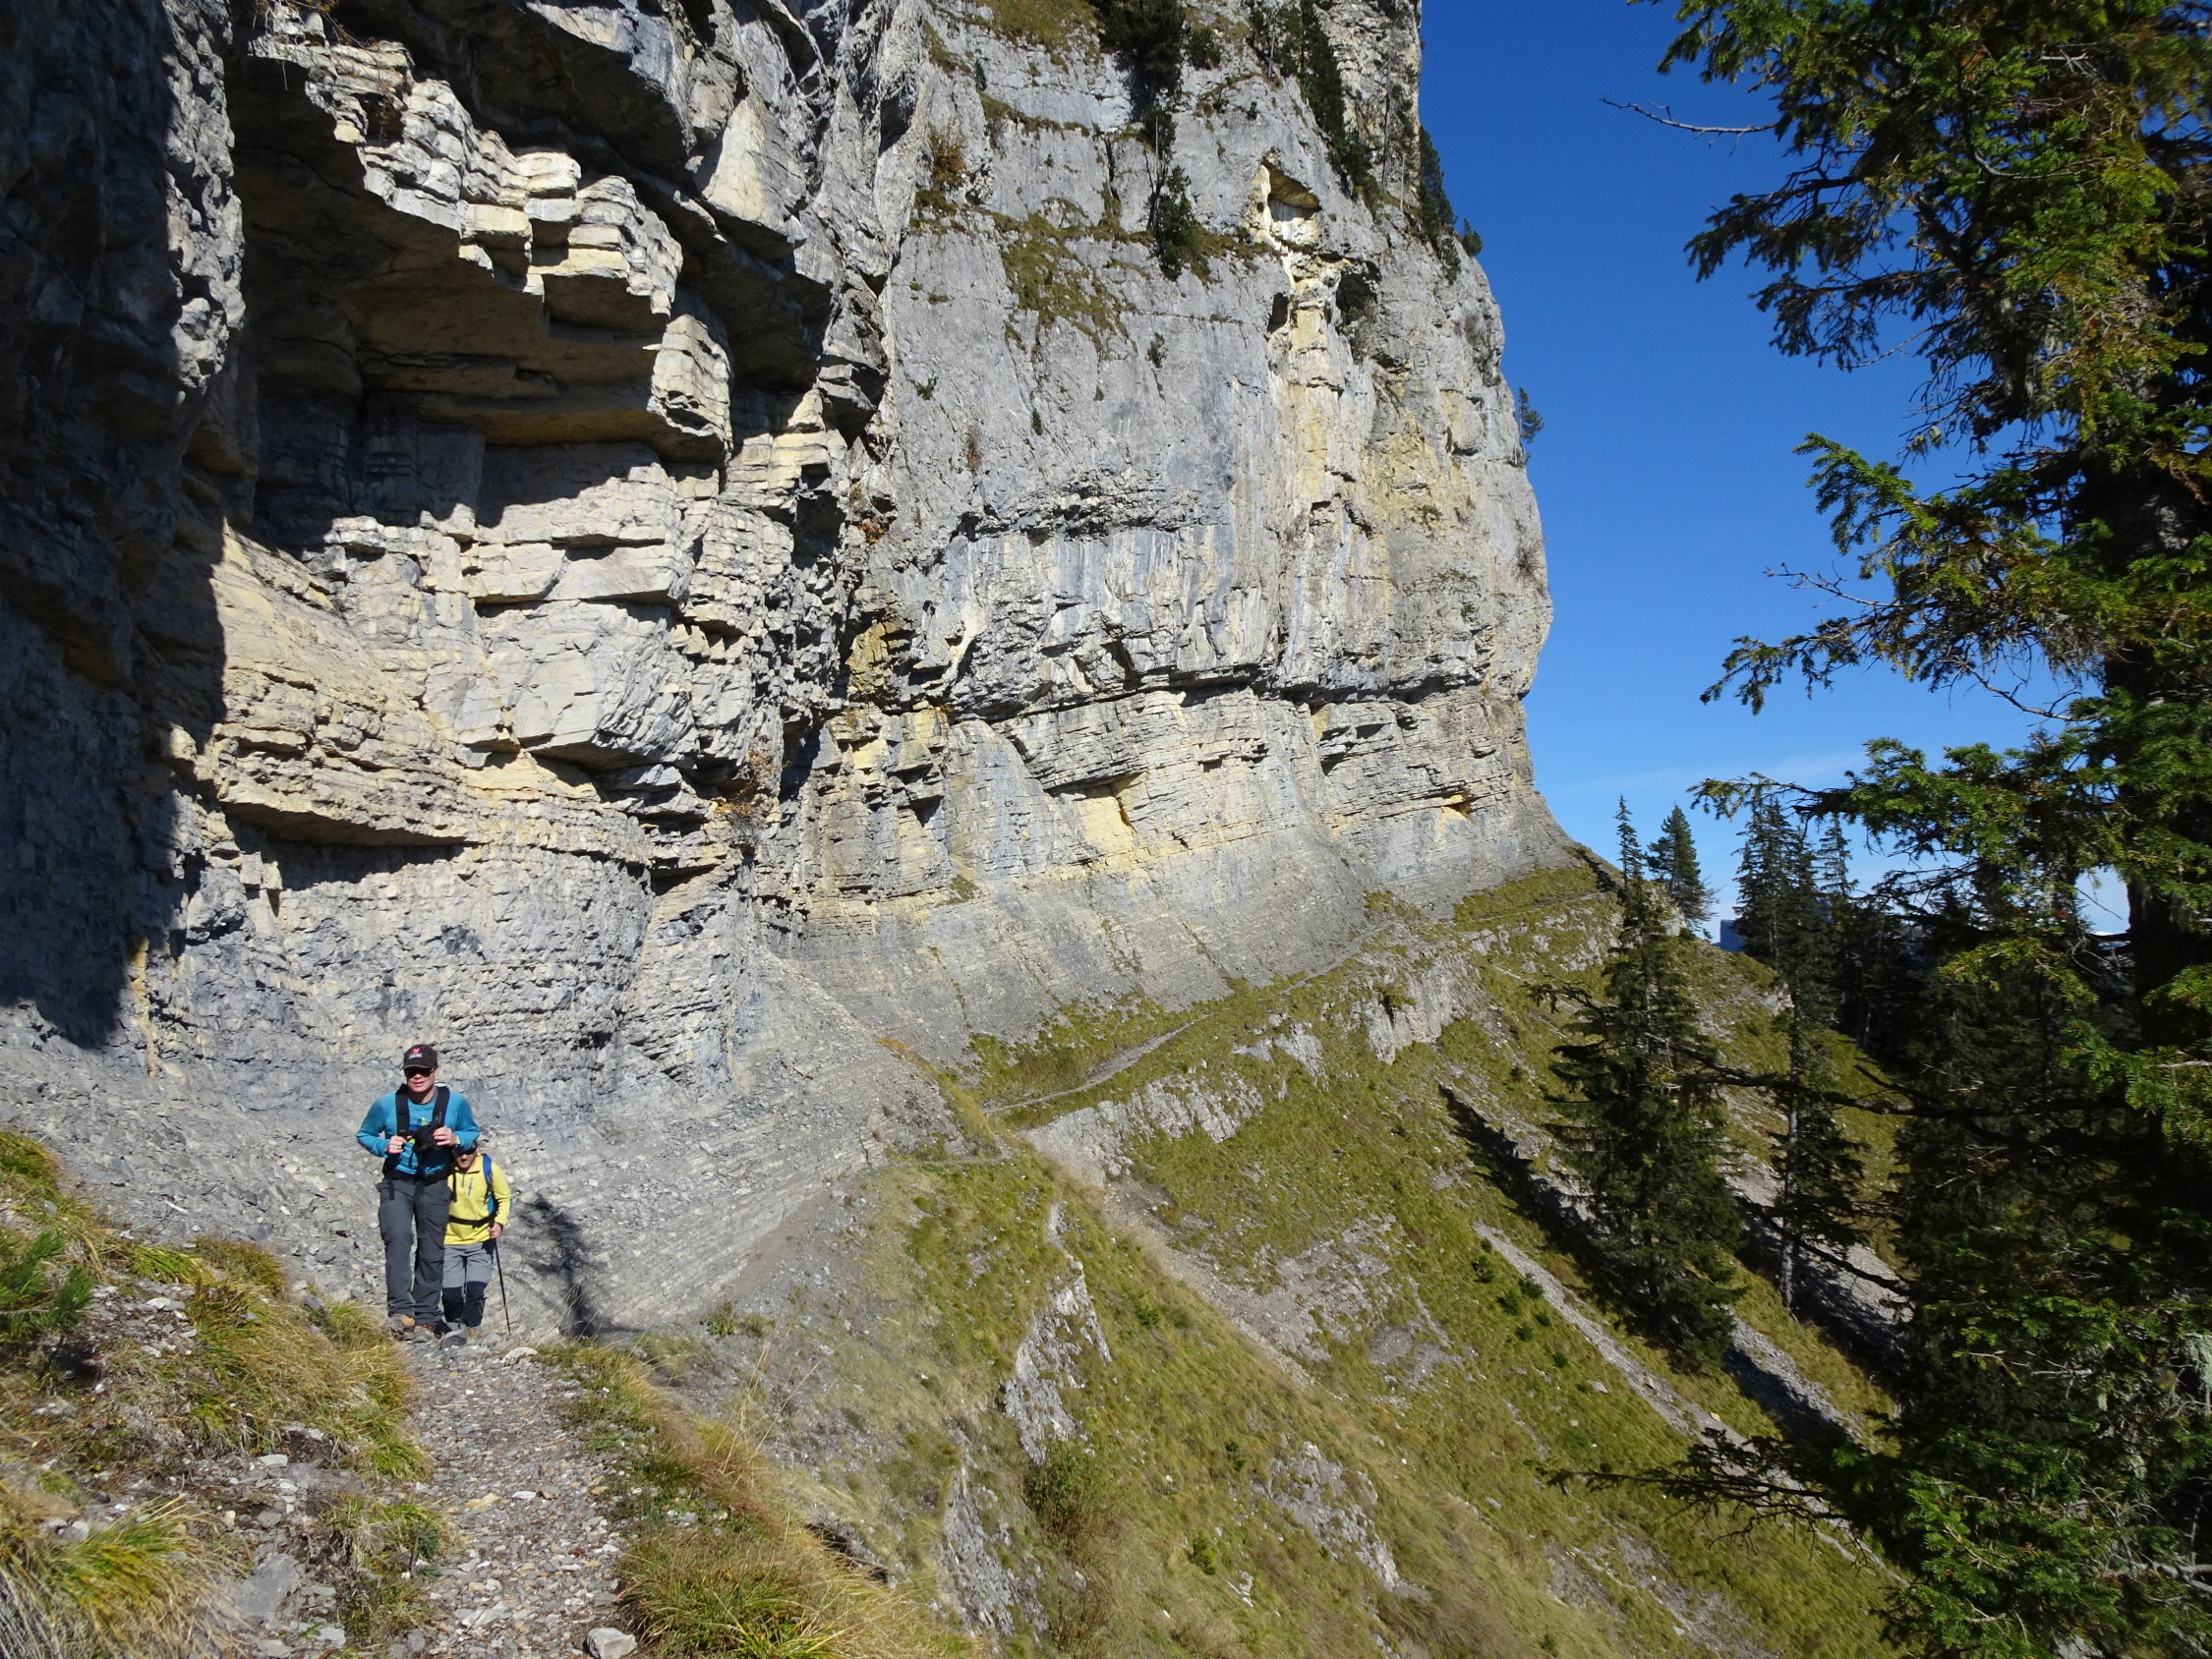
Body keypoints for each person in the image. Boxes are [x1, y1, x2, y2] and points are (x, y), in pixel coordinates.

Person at [355, 1044, 479, 1339]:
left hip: (435, 1183)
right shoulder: (386, 1104)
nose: (417, 1076)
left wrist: (454, 1138)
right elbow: (364, 1134)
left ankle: (427, 1316)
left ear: (435, 1071)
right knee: (398, 1238)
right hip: (397, 1182)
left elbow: (472, 1133)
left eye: (423, 1070)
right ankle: (401, 1313)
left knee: (431, 1247)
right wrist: (384, 1145)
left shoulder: (455, 1103)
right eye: (411, 1071)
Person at [439, 1143, 510, 1345]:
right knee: (451, 1293)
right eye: (459, 1153)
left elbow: (505, 1198)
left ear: (476, 1149)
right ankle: (453, 1329)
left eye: (468, 1152)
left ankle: (472, 1330)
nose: (463, 1157)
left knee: (475, 1290)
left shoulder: (489, 1168)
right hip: (450, 1238)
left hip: (480, 1238)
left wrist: (499, 1222)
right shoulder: (445, 1168)